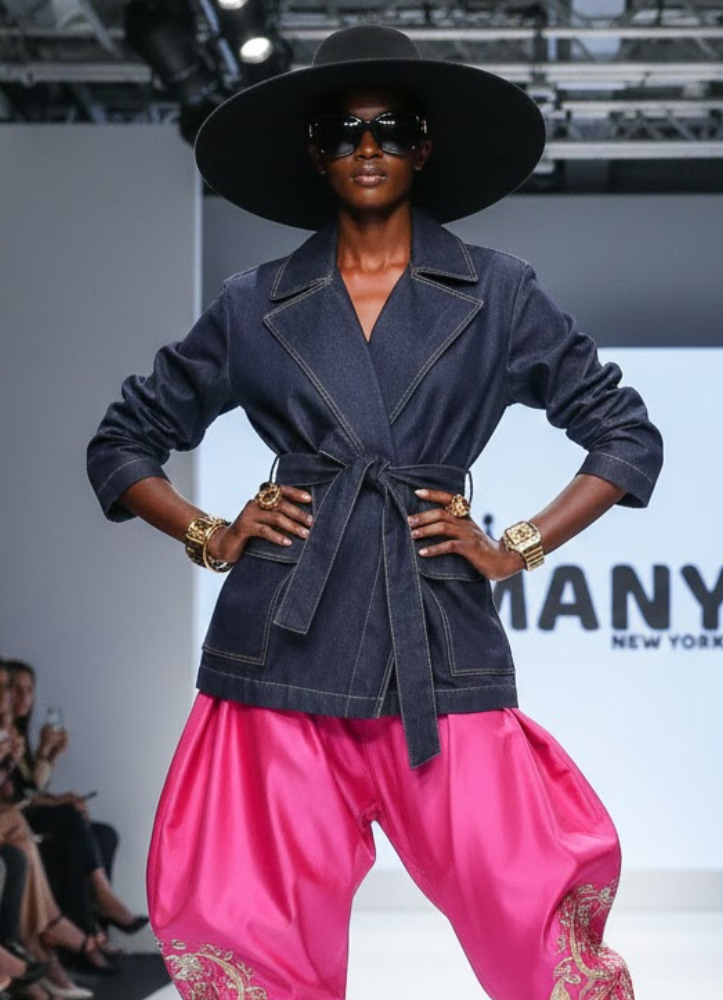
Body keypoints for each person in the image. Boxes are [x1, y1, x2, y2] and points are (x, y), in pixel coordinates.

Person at [86, 24, 663, 1000]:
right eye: (343, 131)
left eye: (390, 129)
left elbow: (625, 435)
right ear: (315, 151)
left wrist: (516, 545)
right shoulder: (253, 302)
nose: (367, 147)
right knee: (255, 932)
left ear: (422, 147)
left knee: (529, 903)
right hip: (280, 643)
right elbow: (121, 442)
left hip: (436, 631)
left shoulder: (497, 291)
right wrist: (211, 533)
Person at [0, 661, 147, 974]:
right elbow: (17, 798)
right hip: (19, 818)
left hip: (24, 814)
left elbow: (29, 788)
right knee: (69, 820)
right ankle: (93, 924)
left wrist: (48, 756)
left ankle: (97, 927)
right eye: (13, 689)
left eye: (28, 690)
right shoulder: (7, 734)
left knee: (103, 833)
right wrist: (52, 791)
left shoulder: (16, 732)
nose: (19, 697)